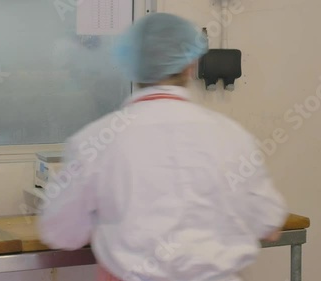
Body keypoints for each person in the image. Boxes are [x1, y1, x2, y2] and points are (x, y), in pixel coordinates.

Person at [37, 13, 288, 281]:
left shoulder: (95, 141)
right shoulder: (233, 136)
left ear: (129, 64)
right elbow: (270, 224)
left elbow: (60, 232)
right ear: (191, 63)